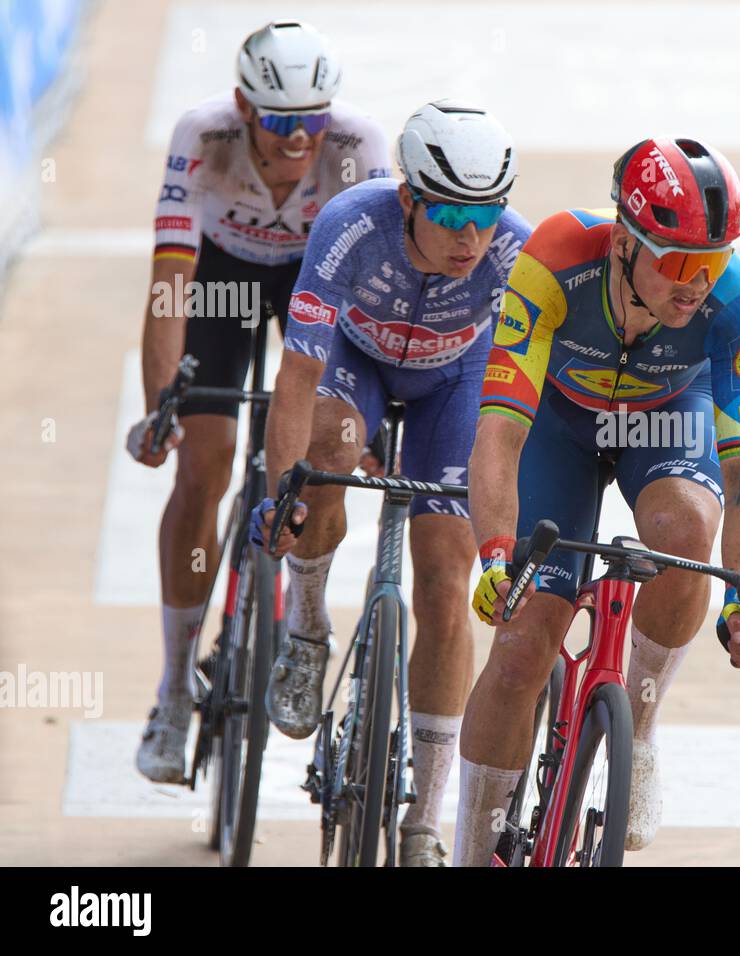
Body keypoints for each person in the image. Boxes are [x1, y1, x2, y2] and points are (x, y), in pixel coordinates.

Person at [456, 137, 740, 865]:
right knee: (521, 645)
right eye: (676, 261)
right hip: (557, 424)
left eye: (714, 260)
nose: (696, 283)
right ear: (623, 243)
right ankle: (471, 850)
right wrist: (494, 556)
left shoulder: (737, 305)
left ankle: (639, 723)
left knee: (686, 528)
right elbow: (501, 434)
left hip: (665, 421)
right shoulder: (554, 258)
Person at [251, 100, 532, 866]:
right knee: (327, 462)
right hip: (355, 363)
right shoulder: (350, 224)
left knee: (445, 582)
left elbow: (538, 395)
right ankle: (307, 628)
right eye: (449, 215)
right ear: (408, 198)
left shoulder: (515, 251)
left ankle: (423, 821)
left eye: (486, 215)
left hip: (455, 380)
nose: (470, 237)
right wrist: (284, 493)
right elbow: (299, 373)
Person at [127, 20, 389, 786]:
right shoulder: (200, 136)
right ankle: (175, 690)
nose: (299, 139)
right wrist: (160, 406)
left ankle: (302, 625)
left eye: (313, 119)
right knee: (203, 466)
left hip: (318, 280)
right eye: (280, 121)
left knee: (320, 449)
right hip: (224, 279)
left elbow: (373, 287)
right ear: (244, 107)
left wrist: (363, 414)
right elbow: (172, 277)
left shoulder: (358, 143)